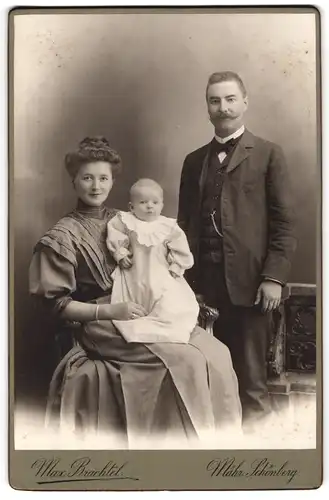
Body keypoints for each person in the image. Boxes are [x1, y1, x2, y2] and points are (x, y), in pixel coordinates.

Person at [29, 136, 242, 448]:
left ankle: (220, 447)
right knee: (188, 362)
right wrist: (111, 310)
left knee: (218, 352)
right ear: (73, 180)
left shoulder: (127, 219)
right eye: (87, 177)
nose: (95, 186)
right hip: (101, 322)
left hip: (146, 308)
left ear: (113, 181)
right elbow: (55, 305)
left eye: (103, 178)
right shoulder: (61, 237)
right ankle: (177, 448)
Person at [178, 71, 297, 428]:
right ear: (207, 108)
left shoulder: (268, 154)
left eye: (230, 99)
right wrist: (183, 283)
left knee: (252, 387)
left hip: (251, 288)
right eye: (215, 100)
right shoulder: (193, 161)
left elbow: (285, 224)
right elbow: (183, 226)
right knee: (208, 381)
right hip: (201, 289)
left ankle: (255, 462)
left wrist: (273, 277)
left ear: (245, 102)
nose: (223, 107)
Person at [106, 178, 199, 344]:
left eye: (155, 202)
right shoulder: (125, 221)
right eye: (143, 202)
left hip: (161, 271)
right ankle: (140, 326)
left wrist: (177, 266)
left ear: (162, 205)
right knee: (135, 302)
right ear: (131, 206)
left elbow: (180, 248)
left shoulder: (168, 226)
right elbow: (115, 235)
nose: (150, 206)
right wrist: (120, 254)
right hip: (134, 272)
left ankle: (163, 324)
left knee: (169, 300)